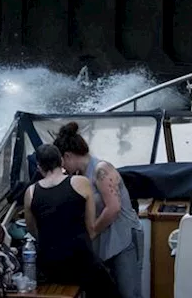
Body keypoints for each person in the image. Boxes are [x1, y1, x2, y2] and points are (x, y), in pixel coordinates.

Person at [53, 122, 144, 298]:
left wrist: (92, 231)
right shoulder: (79, 177)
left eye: (63, 163)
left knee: (128, 292)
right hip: (105, 240)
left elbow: (114, 208)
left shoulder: (101, 170)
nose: (63, 169)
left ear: (68, 155)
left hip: (124, 237)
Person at [24, 144, 121, 298]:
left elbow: (33, 231)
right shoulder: (80, 183)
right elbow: (91, 228)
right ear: (61, 161)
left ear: (39, 167)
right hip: (80, 262)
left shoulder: (30, 192)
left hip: (50, 267)